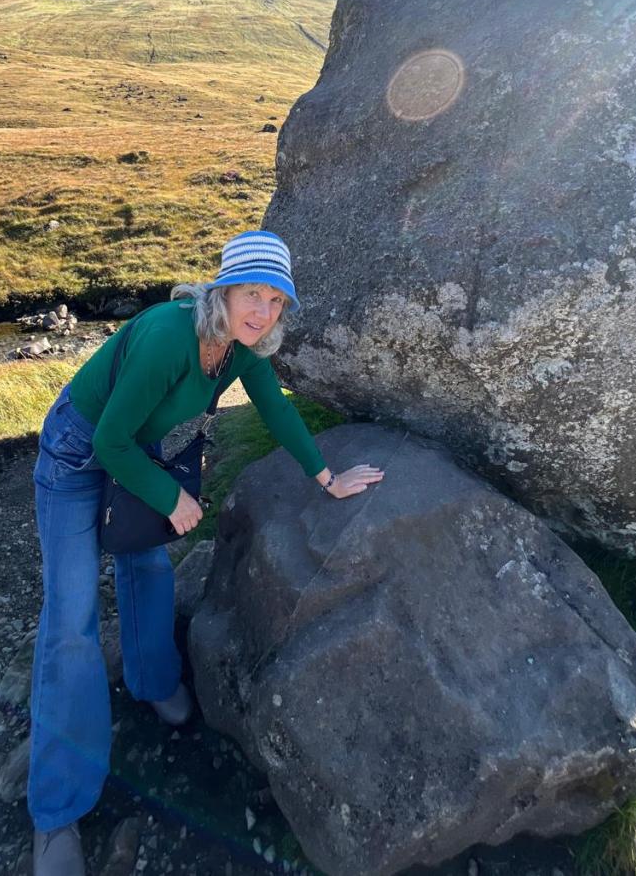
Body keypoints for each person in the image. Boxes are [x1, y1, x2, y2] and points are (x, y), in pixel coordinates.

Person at [29, 229, 385, 875]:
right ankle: (56, 812)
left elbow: (275, 410)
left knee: (146, 566)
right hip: (78, 453)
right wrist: (171, 497)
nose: (264, 312)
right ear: (223, 290)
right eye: (254, 293)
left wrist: (328, 478)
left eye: (277, 301)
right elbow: (109, 439)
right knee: (71, 624)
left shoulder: (241, 351)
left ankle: (153, 680)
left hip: (137, 451)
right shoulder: (172, 335)